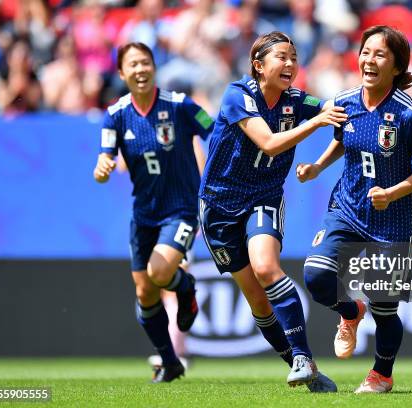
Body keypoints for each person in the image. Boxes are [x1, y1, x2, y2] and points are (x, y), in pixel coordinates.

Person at [198, 31, 346, 392]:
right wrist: (316, 123)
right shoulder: (238, 95)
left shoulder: (296, 101)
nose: (291, 64)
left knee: (266, 267)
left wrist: (349, 115)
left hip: (262, 196)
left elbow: (333, 110)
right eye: (282, 56)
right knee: (257, 300)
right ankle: (304, 365)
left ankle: (301, 356)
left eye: (294, 57)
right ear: (258, 65)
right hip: (218, 206)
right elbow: (269, 142)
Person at [297, 25, 412, 393]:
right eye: (365, 51)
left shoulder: (410, 115)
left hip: (393, 220)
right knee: (315, 276)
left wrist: (392, 193)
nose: (369, 60)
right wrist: (316, 167)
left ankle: (381, 374)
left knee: (385, 306)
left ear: (396, 67)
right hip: (347, 208)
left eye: (380, 54)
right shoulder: (344, 102)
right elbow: (343, 142)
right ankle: (350, 312)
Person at [92, 42, 213, 383]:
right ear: (121, 73)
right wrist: (102, 166)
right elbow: (105, 157)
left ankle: (185, 286)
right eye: (133, 65)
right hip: (144, 214)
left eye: (145, 62)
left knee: (161, 273)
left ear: (154, 67)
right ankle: (170, 362)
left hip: (181, 209)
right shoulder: (115, 114)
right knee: (145, 292)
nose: (140, 69)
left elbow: (215, 132)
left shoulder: (179, 105)